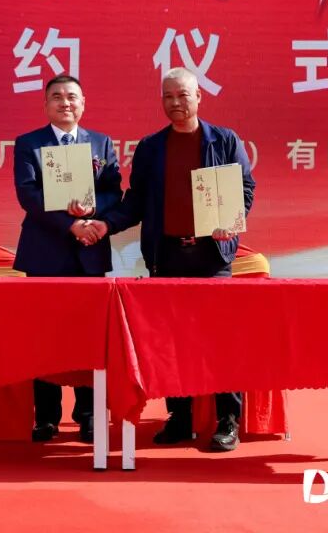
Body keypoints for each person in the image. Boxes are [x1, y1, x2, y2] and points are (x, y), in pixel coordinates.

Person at [99, 67, 255, 451]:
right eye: (168, 97)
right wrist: (105, 224)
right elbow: (135, 202)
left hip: (211, 256)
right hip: (166, 254)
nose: (175, 103)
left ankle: (228, 420)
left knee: (220, 340)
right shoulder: (151, 148)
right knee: (171, 342)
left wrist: (232, 221)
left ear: (198, 96)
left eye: (182, 95)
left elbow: (245, 188)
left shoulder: (224, 140)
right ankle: (180, 417)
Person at [12, 74, 122, 444]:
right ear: (46, 105)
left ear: (83, 103)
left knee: (89, 338)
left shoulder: (101, 143)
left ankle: (88, 415)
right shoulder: (29, 143)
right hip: (45, 252)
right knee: (44, 337)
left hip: (89, 251)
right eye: (57, 97)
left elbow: (113, 191)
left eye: (72, 96)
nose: (65, 103)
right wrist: (69, 224)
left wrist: (92, 210)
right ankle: (46, 416)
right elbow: (28, 195)